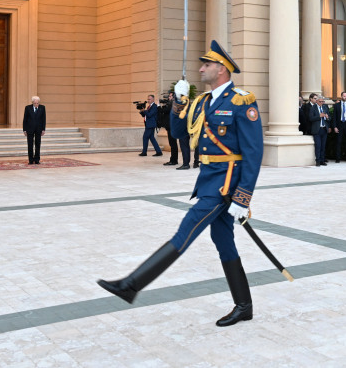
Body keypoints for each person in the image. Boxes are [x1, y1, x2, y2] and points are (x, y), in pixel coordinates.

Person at [98, 40, 264, 327]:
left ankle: (131, 285)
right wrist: (177, 104)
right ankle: (244, 306)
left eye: (207, 64)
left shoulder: (241, 101)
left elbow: (253, 151)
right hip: (208, 180)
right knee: (223, 241)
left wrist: (243, 197)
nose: (201, 68)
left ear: (222, 70)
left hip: (224, 186)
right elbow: (178, 133)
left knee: (184, 233)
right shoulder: (203, 102)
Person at [170, 83, 193, 170]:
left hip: (183, 128)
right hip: (184, 128)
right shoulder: (186, 101)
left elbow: (178, 114)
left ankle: (186, 164)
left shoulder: (183, 103)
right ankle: (186, 163)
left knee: (184, 146)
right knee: (184, 146)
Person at [22, 96, 47, 165]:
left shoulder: (42, 108)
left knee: (37, 145)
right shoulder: (28, 108)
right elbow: (25, 119)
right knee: (30, 145)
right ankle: (30, 160)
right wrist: (24, 129)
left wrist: (43, 129)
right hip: (29, 129)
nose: (36, 105)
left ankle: (37, 159)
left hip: (39, 129)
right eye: (35, 103)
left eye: (37, 103)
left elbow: (43, 119)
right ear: (32, 102)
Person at [308, 95, 330, 166]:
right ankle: (317, 160)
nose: (321, 103)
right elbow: (310, 118)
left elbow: (329, 118)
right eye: (320, 101)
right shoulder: (313, 108)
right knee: (318, 146)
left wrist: (327, 117)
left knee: (323, 146)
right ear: (317, 101)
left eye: (322, 101)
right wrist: (319, 116)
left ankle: (322, 160)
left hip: (324, 129)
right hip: (317, 130)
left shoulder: (324, 107)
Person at [162, 90, 179, 165]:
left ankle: (174, 160)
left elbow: (166, 110)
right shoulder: (171, 103)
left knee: (173, 144)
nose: (168, 97)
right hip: (170, 127)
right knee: (172, 144)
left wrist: (160, 106)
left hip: (172, 127)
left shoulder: (173, 104)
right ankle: (173, 159)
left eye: (170, 96)